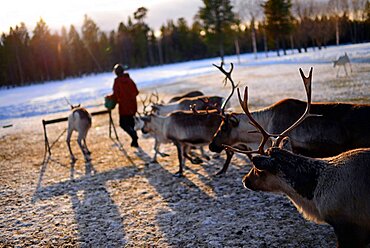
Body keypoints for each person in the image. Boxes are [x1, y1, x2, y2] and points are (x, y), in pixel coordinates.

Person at [109, 64, 139, 147]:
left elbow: (115, 95)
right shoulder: (129, 80)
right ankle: (135, 142)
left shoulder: (117, 81)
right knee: (131, 124)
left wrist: (110, 98)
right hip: (133, 106)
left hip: (124, 107)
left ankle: (134, 136)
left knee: (123, 124)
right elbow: (136, 92)